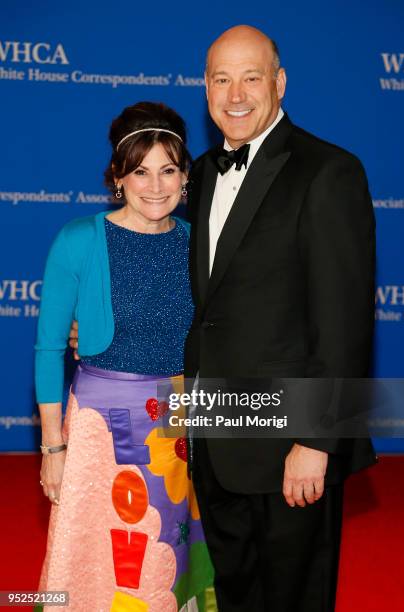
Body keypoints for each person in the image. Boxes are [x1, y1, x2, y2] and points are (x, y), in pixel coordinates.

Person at [183, 25, 377, 611]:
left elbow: (343, 321)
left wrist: (316, 440)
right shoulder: (200, 174)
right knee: (236, 595)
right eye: (221, 79)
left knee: (295, 598)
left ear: (279, 82)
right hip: (212, 435)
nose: (235, 94)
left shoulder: (328, 172)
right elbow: (203, 306)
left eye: (251, 77)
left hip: (289, 445)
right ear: (206, 88)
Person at [35, 101, 213, 611]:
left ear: (185, 178)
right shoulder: (78, 241)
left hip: (181, 425)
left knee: (168, 559)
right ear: (118, 177)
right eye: (140, 171)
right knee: (104, 560)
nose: (155, 186)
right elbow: (50, 349)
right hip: (102, 433)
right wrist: (53, 449)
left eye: (168, 170)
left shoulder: (196, 243)